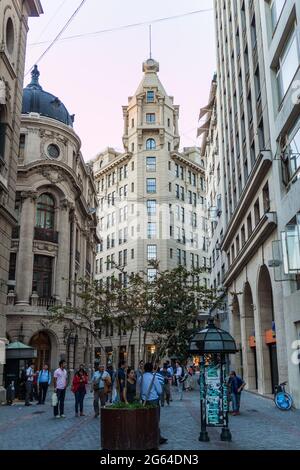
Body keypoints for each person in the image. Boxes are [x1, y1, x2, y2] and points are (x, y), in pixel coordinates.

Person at [139, 362, 168, 445]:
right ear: (152, 369)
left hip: (144, 400)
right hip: (153, 400)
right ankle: (157, 437)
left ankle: (147, 436)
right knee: (155, 419)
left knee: (146, 419)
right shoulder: (153, 377)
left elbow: (140, 389)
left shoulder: (141, 377)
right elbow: (159, 390)